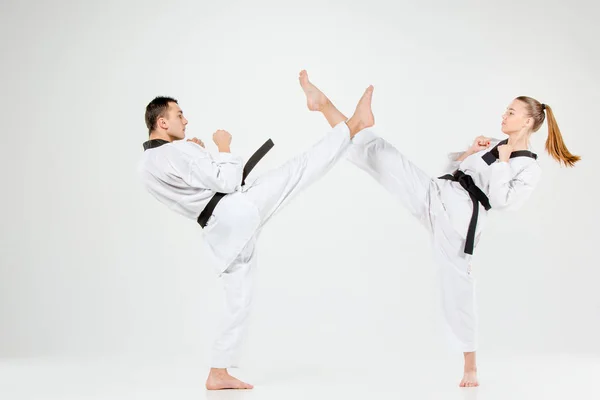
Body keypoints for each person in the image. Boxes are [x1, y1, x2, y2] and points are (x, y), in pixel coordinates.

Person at [299, 81, 580, 387]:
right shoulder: (496, 143)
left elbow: (501, 202)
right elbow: (456, 170)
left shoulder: (528, 166)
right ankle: (325, 105)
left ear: (527, 121)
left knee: (458, 288)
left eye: (510, 112)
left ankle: (470, 366)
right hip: (441, 192)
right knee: (382, 155)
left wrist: (501, 163)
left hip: (461, 221)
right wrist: (470, 151)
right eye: (505, 110)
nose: (504, 116)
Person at [138, 70, 374, 390]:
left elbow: (189, 186)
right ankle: (354, 125)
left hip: (218, 229)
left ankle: (218, 372)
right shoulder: (178, 151)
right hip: (235, 210)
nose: (185, 120)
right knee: (299, 170)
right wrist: (223, 147)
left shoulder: (148, 164)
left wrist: (196, 152)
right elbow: (226, 181)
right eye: (178, 115)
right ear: (161, 122)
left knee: (237, 299)